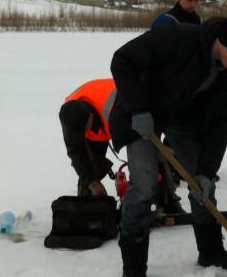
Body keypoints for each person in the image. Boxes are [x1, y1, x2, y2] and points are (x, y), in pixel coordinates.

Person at [109, 15, 227, 277]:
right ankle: (133, 271)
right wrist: (139, 109)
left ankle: (211, 252)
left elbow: (222, 123)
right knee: (143, 186)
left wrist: (206, 170)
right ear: (223, 44)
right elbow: (122, 61)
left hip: (185, 119)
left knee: (202, 185)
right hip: (143, 114)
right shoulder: (177, 39)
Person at [59, 78, 184, 215]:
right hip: (104, 116)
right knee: (89, 169)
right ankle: (89, 207)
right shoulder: (70, 115)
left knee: (148, 159)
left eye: (83, 129)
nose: (83, 134)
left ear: (90, 117)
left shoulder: (115, 108)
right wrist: (92, 183)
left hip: (131, 113)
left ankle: (166, 199)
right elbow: (77, 152)